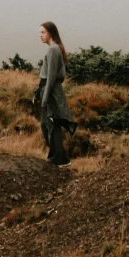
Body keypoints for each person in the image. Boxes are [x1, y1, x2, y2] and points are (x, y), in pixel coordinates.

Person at [36, 21, 77, 167]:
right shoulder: (54, 49)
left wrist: (45, 98)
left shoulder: (53, 49)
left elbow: (51, 77)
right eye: (40, 32)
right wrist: (38, 93)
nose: (40, 35)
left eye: (43, 32)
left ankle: (57, 159)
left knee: (51, 125)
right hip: (49, 90)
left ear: (51, 33)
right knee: (47, 125)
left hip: (51, 92)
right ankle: (62, 158)